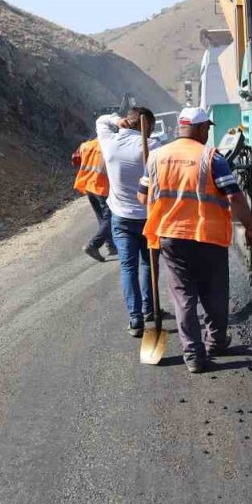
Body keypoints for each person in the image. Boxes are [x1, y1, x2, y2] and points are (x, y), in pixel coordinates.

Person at [140, 107, 252, 373]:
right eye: (207, 128)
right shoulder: (211, 157)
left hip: (171, 237)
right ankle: (215, 343)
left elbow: (142, 196)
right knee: (214, 292)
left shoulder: (156, 156)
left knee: (184, 296)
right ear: (202, 128)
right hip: (207, 236)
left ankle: (193, 356)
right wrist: (250, 228)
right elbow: (234, 196)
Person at [97, 106, 161, 337]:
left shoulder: (109, 142)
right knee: (149, 265)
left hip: (121, 218)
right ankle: (149, 309)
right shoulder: (152, 146)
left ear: (127, 121)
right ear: (148, 126)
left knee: (128, 268)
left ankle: (136, 319)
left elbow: (101, 121)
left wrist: (116, 120)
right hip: (148, 217)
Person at [71, 137, 116, 262]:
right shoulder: (109, 145)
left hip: (88, 185)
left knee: (102, 218)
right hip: (102, 186)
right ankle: (93, 245)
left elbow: (75, 160)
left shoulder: (85, 145)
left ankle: (111, 246)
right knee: (111, 217)